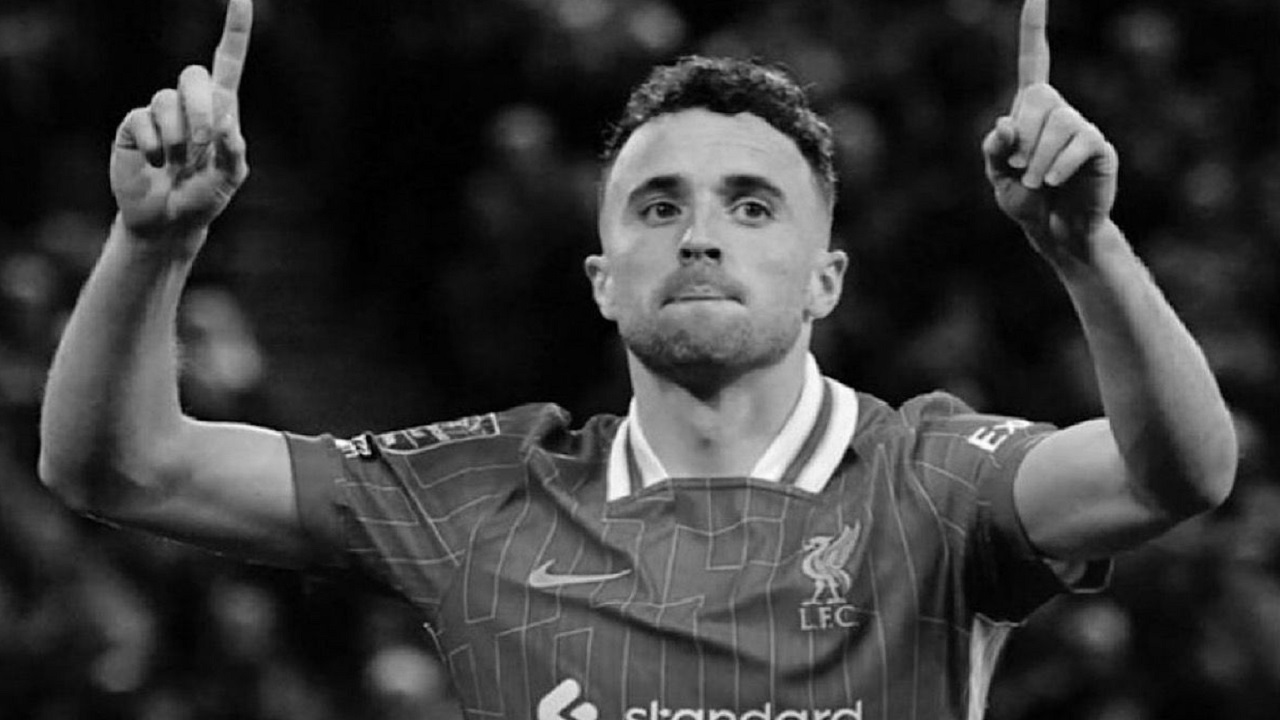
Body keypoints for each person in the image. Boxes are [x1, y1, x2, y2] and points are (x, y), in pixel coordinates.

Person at [39, 0, 1237, 717]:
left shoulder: (933, 477)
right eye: (658, 206)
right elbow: (121, 466)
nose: (700, 234)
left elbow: (1175, 473)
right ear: (602, 279)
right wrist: (155, 241)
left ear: (824, 278)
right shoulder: (483, 498)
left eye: (751, 206)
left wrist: (1084, 249)